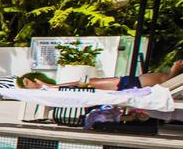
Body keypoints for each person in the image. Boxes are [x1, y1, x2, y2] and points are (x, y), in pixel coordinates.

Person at [21, 59, 182, 91]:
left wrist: (175, 69)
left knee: (87, 83)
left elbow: (166, 84)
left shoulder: (172, 77)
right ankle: (53, 86)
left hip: (131, 85)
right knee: (88, 81)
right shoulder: (173, 77)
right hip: (130, 82)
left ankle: (54, 87)